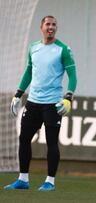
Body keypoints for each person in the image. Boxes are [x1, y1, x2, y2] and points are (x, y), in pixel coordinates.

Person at [4, 15, 77, 191]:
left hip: (52, 104)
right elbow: (29, 71)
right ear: (41, 27)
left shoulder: (63, 49)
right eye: (48, 24)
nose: (51, 27)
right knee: (24, 139)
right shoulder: (33, 48)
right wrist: (18, 94)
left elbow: (73, 76)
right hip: (33, 102)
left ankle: (49, 181)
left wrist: (68, 98)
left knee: (51, 142)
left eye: (54, 25)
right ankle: (23, 180)